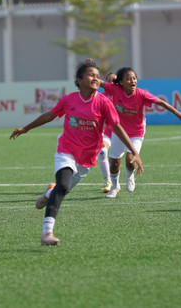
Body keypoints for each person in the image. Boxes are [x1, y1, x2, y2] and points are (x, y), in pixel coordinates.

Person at [10, 59, 143, 246]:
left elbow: (117, 127)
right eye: (91, 75)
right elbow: (50, 115)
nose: (96, 78)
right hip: (66, 150)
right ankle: (47, 232)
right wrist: (26, 128)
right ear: (79, 80)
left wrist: (133, 150)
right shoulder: (69, 100)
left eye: (98, 76)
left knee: (61, 190)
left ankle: (48, 194)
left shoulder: (104, 102)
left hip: (87, 159)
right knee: (62, 186)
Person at [102, 67, 181, 198]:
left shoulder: (142, 94)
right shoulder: (115, 90)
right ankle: (115, 186)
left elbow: (161, 102)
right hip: (119, 130)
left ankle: (130, 176)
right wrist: (89, 68)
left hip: (136, 131)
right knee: (113, 163)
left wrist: (178, 114)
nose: (132, 81)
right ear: (121, 82)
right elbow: (98, 82)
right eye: (129, 79)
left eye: (134, 78)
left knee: (130, 160)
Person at [97, 72, 116, 193]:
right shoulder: (100, 97)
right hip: (107, 132)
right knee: (103, 151)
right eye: (108, 80)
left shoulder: (123, 96)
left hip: (123, 133)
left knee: (124, 161)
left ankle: (126, 178)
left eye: (114, 80)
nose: (111, 83)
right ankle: (108, 181)